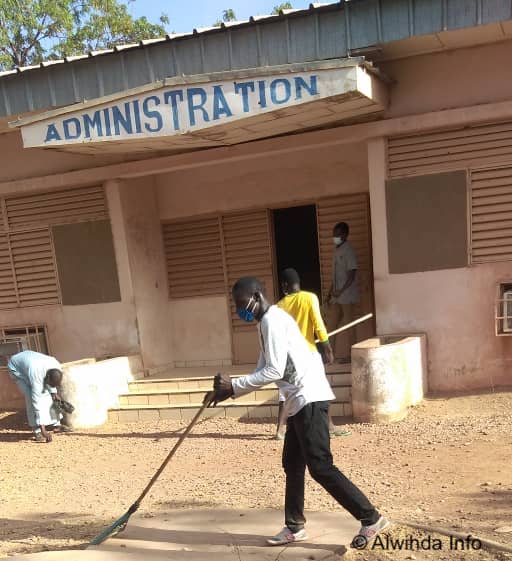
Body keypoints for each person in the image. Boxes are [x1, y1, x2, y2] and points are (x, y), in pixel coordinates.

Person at [211, 276, 389, 549]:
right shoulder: (265, 322)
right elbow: (263, 368)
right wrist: (227, 391)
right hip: (298, 401)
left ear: (256, 296)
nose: (239, 309)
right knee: (292, 464)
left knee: (320, 466)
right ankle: (294, 526)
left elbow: (274, 371)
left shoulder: (272, 320)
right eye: (236, 305)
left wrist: (233, 386)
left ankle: (370, 518)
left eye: (241, 302)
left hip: (310, 398)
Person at [275, 267, 351, 440]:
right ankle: (329, 426)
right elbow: (318, 325)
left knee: (285, 392)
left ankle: (279, 430)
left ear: (285, 285)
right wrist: (328, 349)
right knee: (321, 389)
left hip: (288, 355)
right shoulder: (309, 298)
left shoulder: (279, 306)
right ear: (298, 284)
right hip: (308, 352)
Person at [7, 350, 71, 443]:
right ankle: (37, 430)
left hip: (29, 362)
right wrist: (43, 430)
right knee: (30, 396)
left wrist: (54, 393)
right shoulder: (36, 374)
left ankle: (56, 425)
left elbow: (51, 384)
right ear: (47, 377)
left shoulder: (56, 365)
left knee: (50, 394)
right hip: (16, 368)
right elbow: (36, 402)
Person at [327, 222, 359, 363]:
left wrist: (341, 290)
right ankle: (328, 356)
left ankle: (352, 356)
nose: (335, 236)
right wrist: (330, 293)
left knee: (349, 326)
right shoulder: (337, 250)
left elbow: (352, 274)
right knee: (331, 325)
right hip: (336, 297)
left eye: (338, 234)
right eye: (334, 234)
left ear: (345, 235)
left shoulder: (348, 251)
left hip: (347, 296)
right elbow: (336, 276)